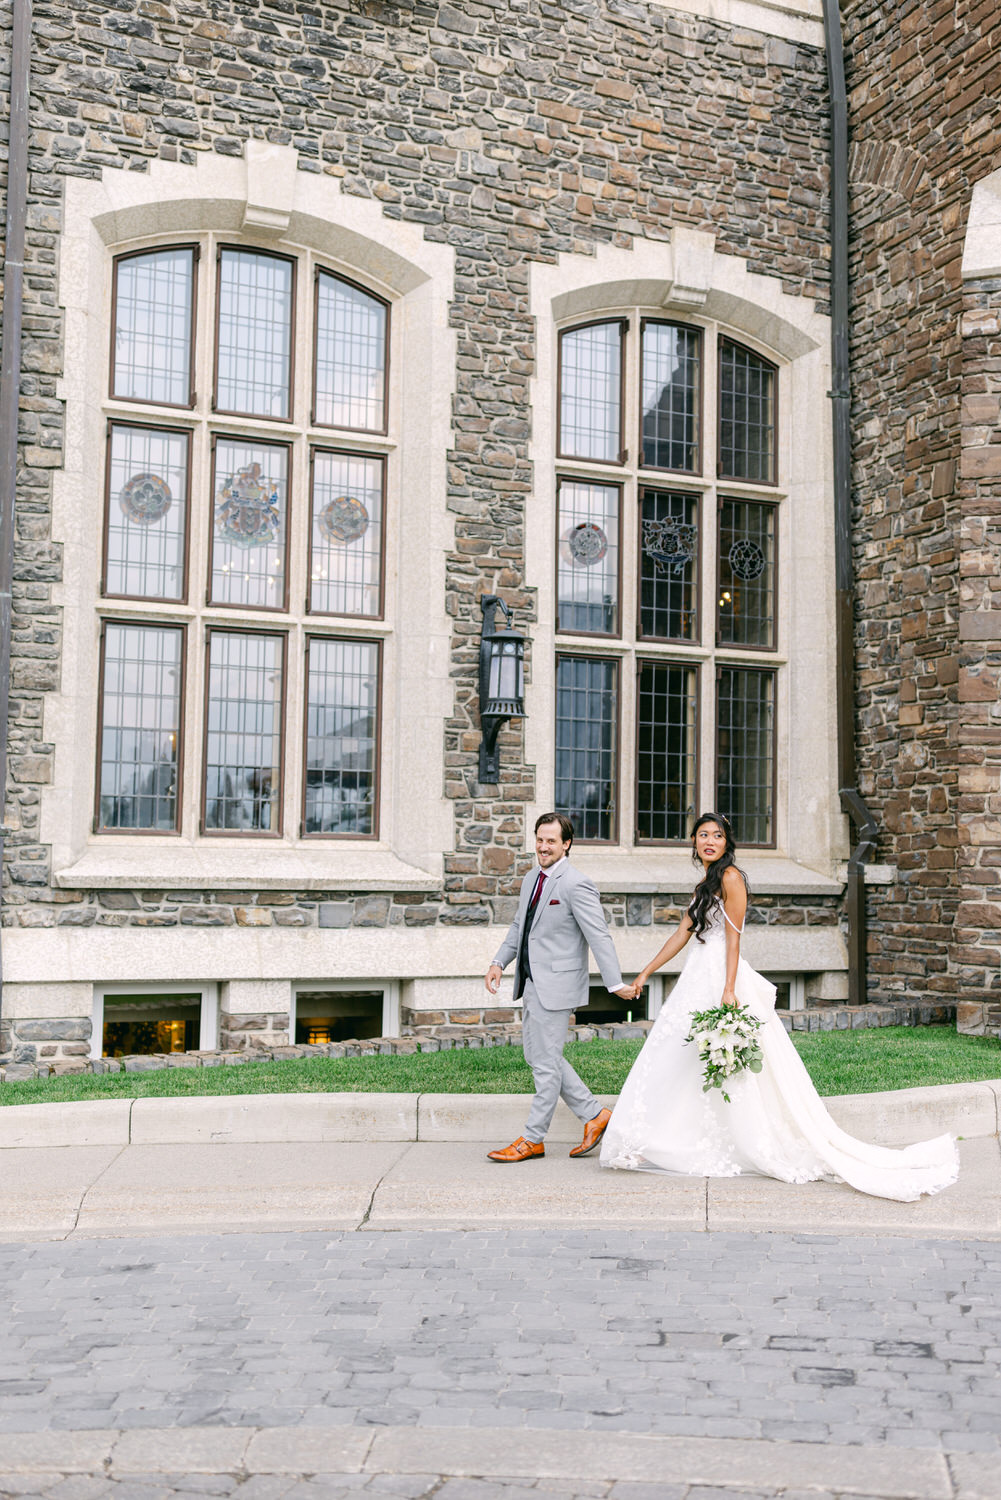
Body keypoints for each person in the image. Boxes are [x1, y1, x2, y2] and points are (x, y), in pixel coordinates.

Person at [600, 812, 960, 1202]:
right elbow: (681, 934)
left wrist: (728, 989)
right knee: (679, 1055)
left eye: (716, 835)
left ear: (727, 843)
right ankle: (661, 1137)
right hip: (696, 975)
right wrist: (645, 974)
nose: (709, 841)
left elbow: (735, 939)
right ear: (693, 842)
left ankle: (728, 1139)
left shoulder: (731, 878)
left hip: (721, 976)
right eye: (702, 835)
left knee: (721, 1062)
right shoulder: (706, 882)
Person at [484, 812, 634, 1163]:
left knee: (546, 1064)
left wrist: (614, 983)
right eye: (539, 839)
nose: (543, 846)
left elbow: (598, 934)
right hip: (531, 981)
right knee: (539, 1057)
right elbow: (520, 927)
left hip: (558, 984)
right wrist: (498, 962)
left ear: (566, 844)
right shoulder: (530, 878)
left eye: (551, 841)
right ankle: (596, 1116)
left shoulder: (576, 883)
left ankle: (532, 1139)